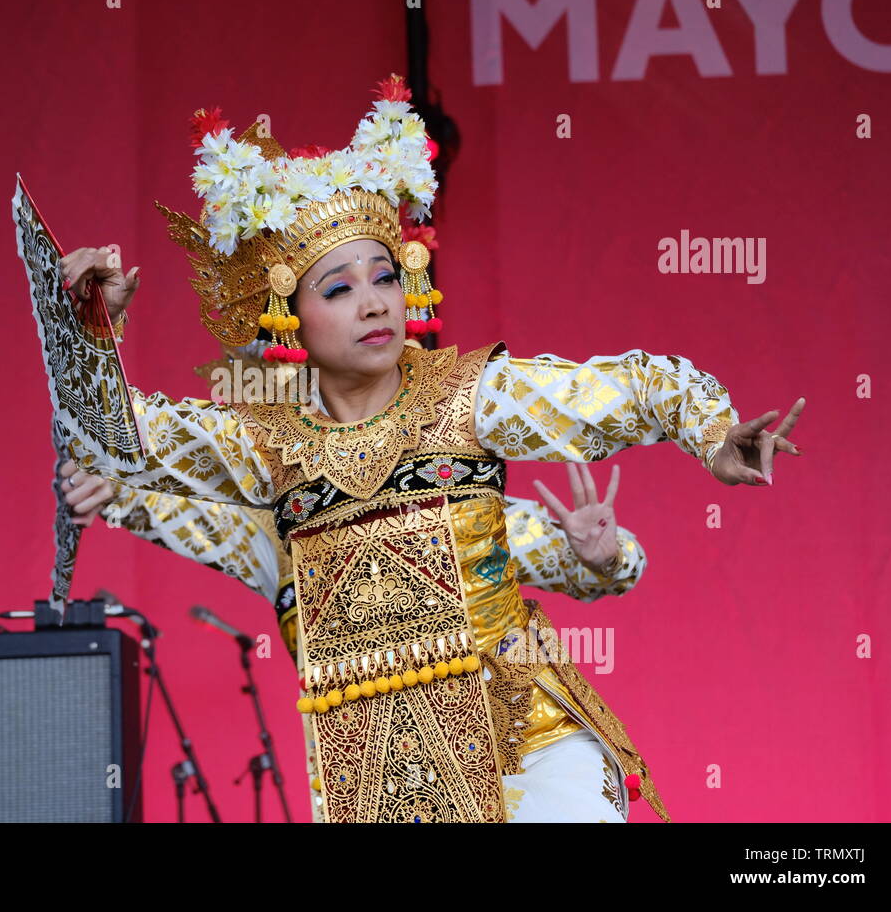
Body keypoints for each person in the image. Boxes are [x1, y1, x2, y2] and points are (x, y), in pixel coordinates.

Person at [42, 73, 805, 822]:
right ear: (289, 319)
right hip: (383, 779)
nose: (374, 300)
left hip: (528, 747)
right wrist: (95, 328)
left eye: (385, 275)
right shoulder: (264, 447)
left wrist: (709, 433)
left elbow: (634, 389)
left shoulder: (469, 395)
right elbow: (119, 439)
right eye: (338, 289)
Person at [59, 456, 650, 822]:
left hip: (530, 752)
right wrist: (105, 487)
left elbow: (608, 567)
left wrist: (603, 555)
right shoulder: (271, 532)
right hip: (392, 788)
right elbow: (155, 503)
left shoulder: (444, 490)